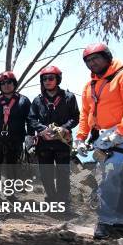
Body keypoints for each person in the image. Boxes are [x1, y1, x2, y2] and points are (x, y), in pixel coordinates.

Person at [73, 43, 123, 239]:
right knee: (115, 180)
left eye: (96, 58)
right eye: (88, 60)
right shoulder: (90, 85)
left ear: (107, 57)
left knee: (107, 179)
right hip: (100, 140)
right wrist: (80, 137)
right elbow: (86, 113)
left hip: (120, 139)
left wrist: (120, 132)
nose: (92, 63)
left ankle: (104, 222)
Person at [28, 66, 79, 210]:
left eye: (51, 78)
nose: (47, 81)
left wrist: (64, 128)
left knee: (63, 171)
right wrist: (42, 130)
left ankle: (63, 201)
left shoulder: (68, 97)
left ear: (58, 79)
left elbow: (75, 117)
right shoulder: (38, 100)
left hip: (62, 142)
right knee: (46, 173)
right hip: (44, 143)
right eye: (44, 79)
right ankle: (51, 198)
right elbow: (31, 119)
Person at [0, 71, 31, 200]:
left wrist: (30, 136)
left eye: (9, 82)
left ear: (14, 84)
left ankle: (10, 193)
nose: (6, 85)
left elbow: (31, 119)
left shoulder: (23, 101)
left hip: (15, 139)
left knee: (12, 167)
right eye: (3, 83)